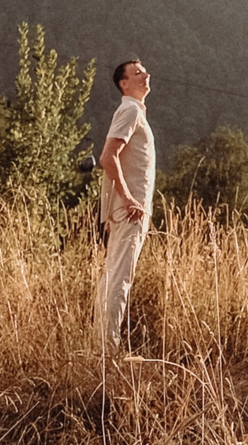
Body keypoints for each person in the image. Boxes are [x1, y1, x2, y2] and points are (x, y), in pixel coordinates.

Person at [96, 57, 156, 352]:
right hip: (130, 210)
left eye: (144, 71)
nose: (145, 75)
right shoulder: (130, 110)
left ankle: (102, 345)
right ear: (124, 83)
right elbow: (108, 157)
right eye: (137, 73)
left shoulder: (133, 111)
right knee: (120, 279)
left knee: (114, 276)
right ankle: (108, 350)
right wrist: (129, 198)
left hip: (126, 209)